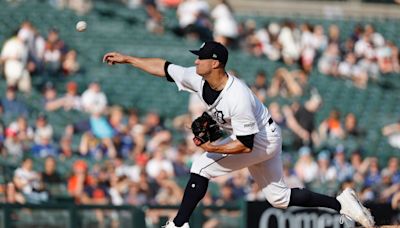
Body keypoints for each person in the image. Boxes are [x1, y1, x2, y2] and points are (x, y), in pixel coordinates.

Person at [103, 41, 375, 228]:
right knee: (279, 198)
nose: (196, 60)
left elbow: (245, 145)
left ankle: (178, 223)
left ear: (216, 63)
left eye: (201, 57)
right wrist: (128, 59)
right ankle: (341, 203)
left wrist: (212, 149)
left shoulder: (238, 96)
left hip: (260, 140)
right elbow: (164, 67)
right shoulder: (198, 78)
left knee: (201, 165)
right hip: (262, 136)